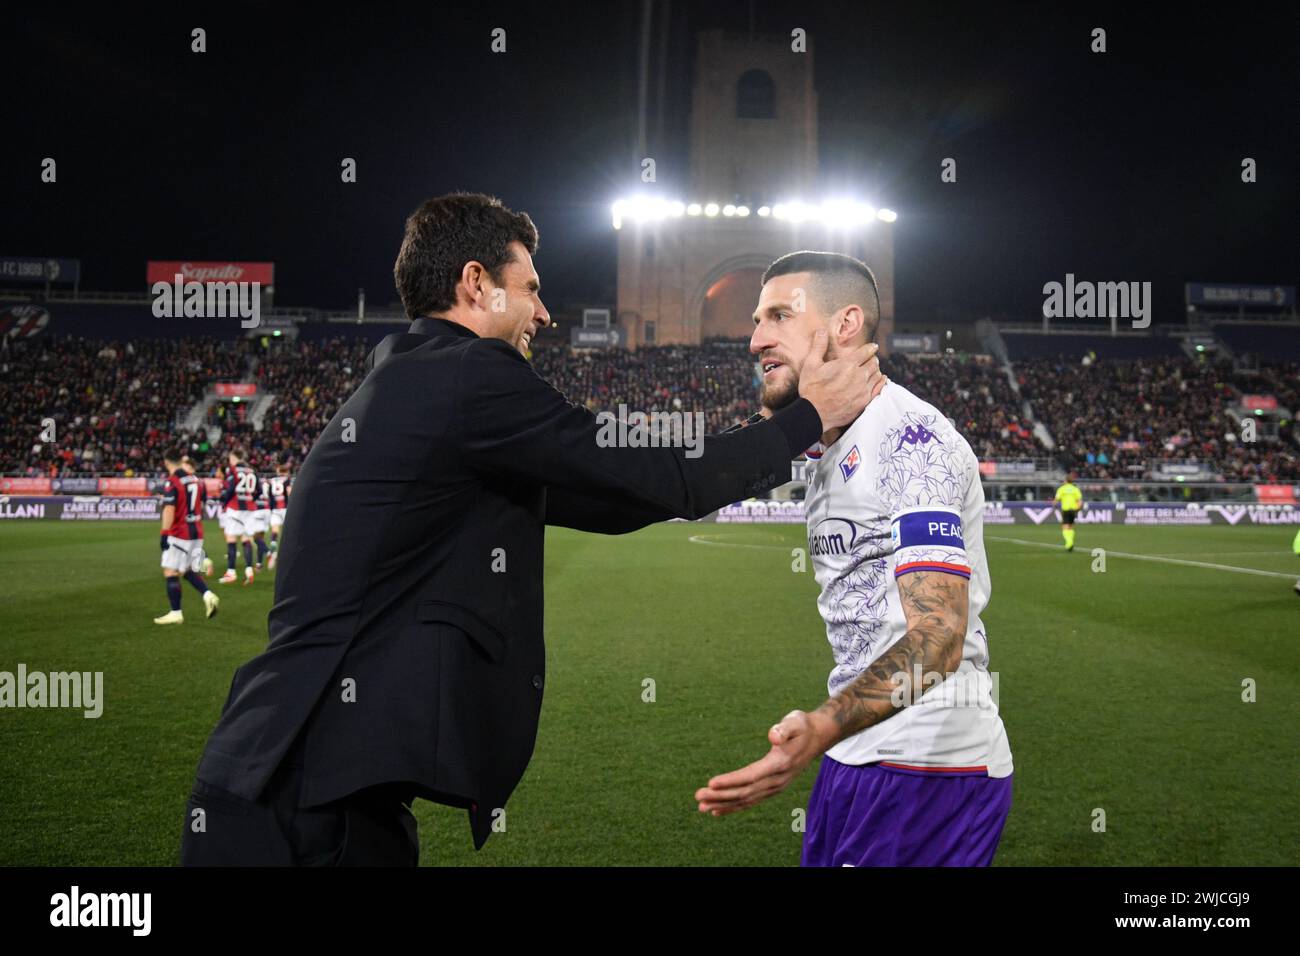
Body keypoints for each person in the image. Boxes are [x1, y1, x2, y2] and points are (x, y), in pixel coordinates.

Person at [180, 193, 887, 866]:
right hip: (305, 805)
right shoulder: (467, 377)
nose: (545, 313)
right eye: (531, 288)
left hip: (291, 784)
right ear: (475, 283)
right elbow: (657, 472)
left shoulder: (421, 382)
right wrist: (807, 417)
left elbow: (620, 498)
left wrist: (765, 435)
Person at [694, 251, 1013, 867]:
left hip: (929, 767)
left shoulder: (913, 442)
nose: (756, 337)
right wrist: (830, 736)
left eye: (779, 316)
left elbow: (940, 634)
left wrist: (821, 726)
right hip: (856, 753)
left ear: (845, 325)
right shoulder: (827, 442)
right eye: (758, 321)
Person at [155, 449, 219, 625]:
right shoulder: (196, 480)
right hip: (196, 530)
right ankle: (208, 595)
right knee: (187, 569)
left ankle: (176, 613)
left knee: (170, 570)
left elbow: (169, 509)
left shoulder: (173, 481)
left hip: (179, 533)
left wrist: (164, 533)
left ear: (167, 463)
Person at [217, 448, 259, 585]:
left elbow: (230, 490)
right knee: (246, 538)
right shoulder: (252, 471)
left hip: (235, 508)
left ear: (234, 457)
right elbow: (258, 491)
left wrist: (224, 502)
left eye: (230, 458)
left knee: (231, 539)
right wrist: (250, 498)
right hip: (250, 508)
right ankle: (248, 570)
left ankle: (231, 572)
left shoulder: (233, 471)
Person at [1054, 471, 1084, 551]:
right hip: (1073, 510)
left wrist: (1054, 505)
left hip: (1066, 509)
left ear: (1066, 480)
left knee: (1065, 527)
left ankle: (1069, 543)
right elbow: (1080, 501)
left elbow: (1056, 500)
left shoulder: (1062, 489)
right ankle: (1070, 542)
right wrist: (1078, 508)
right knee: (1070, 527)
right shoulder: (1075, 489)